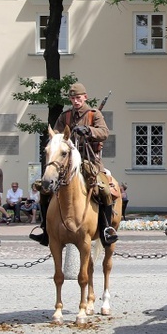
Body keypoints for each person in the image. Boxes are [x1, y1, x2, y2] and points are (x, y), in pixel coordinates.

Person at [29, 82, 118, 248]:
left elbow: (104, 132)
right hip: (66, 162)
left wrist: (88, 130)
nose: (76, 101)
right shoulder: (65, 116)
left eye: (78, 98)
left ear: (85, 97)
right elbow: (56, 135)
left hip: (90, 161)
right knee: (44, 188)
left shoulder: (94, 114)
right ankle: (45, 229)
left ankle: (106, 228)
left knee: (104, 189)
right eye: (72, 98)